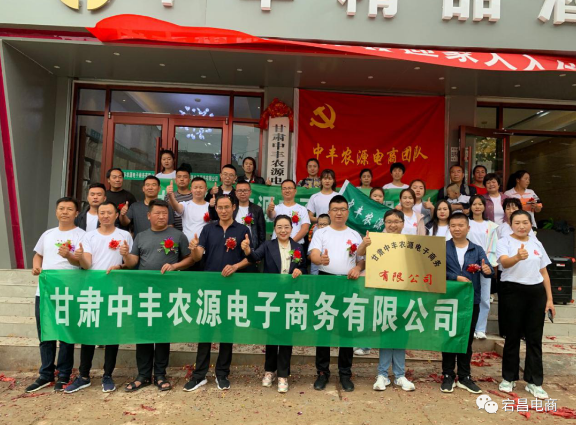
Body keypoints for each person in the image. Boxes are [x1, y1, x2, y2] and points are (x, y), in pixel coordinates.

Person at [122, 199, 193, 392]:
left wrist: (174, 266)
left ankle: (160, 374)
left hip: (166, 292)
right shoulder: (141, 236)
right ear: (149, 215)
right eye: (157, 213)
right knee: (143, 333)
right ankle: (143, 375)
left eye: (165, 213)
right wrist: (126, 255)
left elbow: (189, 259)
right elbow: (133, 262)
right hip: (143, 292)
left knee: (162, 333)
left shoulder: (178, 236)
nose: (162, 216)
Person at [64, 201, 133, 394]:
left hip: (115, 292)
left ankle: (107, 375)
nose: (105, 216)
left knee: (112, 335)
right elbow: (87, 264)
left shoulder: (125, 235)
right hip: (92, 291)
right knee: (89, 334)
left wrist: (121, 264)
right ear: (98, 215)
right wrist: (79, 257)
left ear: (116, 215)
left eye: (109, 212)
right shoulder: (89, 236)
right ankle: (83, 375)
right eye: (102, 212)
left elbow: (130, 263)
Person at [185, 195, 251, 392]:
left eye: (226, 207)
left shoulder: (242, 230)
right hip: (210, 287)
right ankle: (199, 375)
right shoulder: (208, 229)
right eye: (220, 207)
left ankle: (222, 374)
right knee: (205, 330)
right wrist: (194, 249)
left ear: (233, 207)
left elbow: (250, 258)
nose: (223, 211)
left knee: (227, 331)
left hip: (231, 287)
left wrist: (236, 266)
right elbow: (198, 256)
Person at [25, 197, 85, 393]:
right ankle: (46, 374)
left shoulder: (82, 236)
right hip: (45, 291)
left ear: (77, 213)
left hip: (68, 292)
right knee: (45, 333)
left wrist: (69, 256)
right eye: (61, 208)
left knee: (66, 334)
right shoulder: (48, 234)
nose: (65, 212)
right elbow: (38, 254)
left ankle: (64, 373)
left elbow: (83, 263)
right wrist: (36, 266)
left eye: (69, 209)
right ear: (56, 211)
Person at [241, 215, 307, 393]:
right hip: (271, 297)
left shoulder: (298, 247)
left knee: (286, 335)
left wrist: (299, 270)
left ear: (291, 229)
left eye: (286, 227)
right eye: (279, 227)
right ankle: (269, 371)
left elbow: (303, 266)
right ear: (275, 229)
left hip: (290, 297)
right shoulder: (268, 245)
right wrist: (247, 250)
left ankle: (283, 375)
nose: (283, 230)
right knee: (271, 335)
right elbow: (255, 257)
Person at [497, 210, 555, 400]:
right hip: (512, 291)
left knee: (534, 338)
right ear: (510, 224)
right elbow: (504, 263)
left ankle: (534, 382)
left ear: (531, 224)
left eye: (525, 222)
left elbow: (544, 272)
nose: (521, 226)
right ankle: (508, 378)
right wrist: (517, 257)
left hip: (536, 293)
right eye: (517, 223)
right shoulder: (504, 241)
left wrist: (549, 299)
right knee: (512, 336)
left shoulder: (536, 242)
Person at [308, 195, 364, 392]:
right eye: (335, 209)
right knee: (324, 327)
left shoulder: (355, 234)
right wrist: (319, 260)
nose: (339, 213)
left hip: (349, 283)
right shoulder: (321, 232)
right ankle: (322, 372)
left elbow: (361, 259)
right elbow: (314, 254)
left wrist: (358, 268)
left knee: (346, 329)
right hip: (326, 281)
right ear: (329, 212)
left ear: (347, 212)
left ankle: (345, 373)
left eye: (342, 209)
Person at [357, 210, 416, 392]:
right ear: (384, 223)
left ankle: (399, 375)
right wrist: (365, 243)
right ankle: (382, 374)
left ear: (403, 223)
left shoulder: (411, 242)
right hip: (383, 293)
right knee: (386, 332)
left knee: (400, 334)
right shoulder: (376, 240)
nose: (392, 225)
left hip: (404, 293)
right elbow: (360, 253)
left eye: (396, 221)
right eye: (389, 221)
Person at [441, 212, 493, 394]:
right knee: (448, 337)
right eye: (453, 225)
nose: (457, 229)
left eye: (460, 225)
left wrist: (487, 269)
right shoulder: (442, 247)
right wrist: (454, 277)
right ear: (449, 228)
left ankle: (464, 376)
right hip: (448, 298)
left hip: (471, 299)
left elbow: (489, 270)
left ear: (468, 228)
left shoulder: (477, 249)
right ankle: (447, 375)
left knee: (466, 338)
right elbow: (435, 270)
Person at [467, 195, 499, 340]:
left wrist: (486, 264)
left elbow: (493, 246)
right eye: (474, 204)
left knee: (484, 297)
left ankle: (480, 328)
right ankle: (469, 327)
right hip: (467, 264)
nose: (477, 207)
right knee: (469, 296)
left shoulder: (491, 226)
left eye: (480, 204)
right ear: (470, 206)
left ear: (484, 206)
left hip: (485, 264)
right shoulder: (466, 222)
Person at [166, 176, 210, 250]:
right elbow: (177, 207)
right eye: (195, 187)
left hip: (205, 246)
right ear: (191, 189)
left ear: (206, 189)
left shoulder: (210, 207)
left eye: (201, 188)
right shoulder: (185, 205)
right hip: (187, 246)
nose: (198, 190)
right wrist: (170, 196)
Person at [267, 179, 311, 245]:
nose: (287, 191)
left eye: (289, 188)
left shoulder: (302, 209)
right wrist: (269, 209)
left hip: (296, 244)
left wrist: (290, 243)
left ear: (295, 191)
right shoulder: (276, 208)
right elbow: (271, 215)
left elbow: (305, 229)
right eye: (284, 188)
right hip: (277, 245)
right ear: (281, 191)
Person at [234, 181, 266, 255]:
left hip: (251, 248)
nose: (242, 193)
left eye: (245, 190)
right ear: (235, 193)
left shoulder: (257, 209)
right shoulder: (232, 208)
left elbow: (261, 234)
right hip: (234, 247)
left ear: (250, 192)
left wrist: (258, 253)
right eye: (239, 191)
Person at [164, 165, 193, 232]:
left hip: (191, 232)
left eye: (185, 177)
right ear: (175, 180)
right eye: (179, 177)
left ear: (189, 180)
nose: (182, 179)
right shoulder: (168, 196)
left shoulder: (195, 196)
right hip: (174, 232)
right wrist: (170, 196)